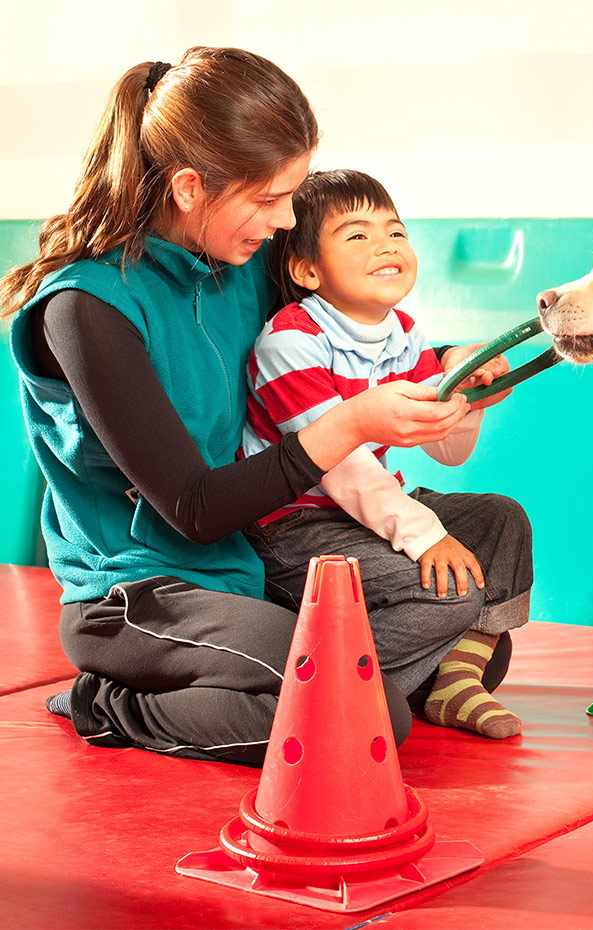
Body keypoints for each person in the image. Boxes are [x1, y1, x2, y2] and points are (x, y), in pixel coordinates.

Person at [0, 47, 516, 766]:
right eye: (270, 199)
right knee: (364, 719)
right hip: (144, 595)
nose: (285, 223)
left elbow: (349, 325)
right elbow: (196, 509)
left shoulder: (238, 265)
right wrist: (350, 426)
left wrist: (457, 367)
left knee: (483, 572)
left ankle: (361, 679)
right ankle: (112, 703)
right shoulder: (87, 309)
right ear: (188, 188)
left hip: (257, 566)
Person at [241, 168, 531, 739]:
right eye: (357, 236)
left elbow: (445, 449)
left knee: (502, 520)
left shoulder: (404, 332)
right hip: (296, 526)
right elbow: (338, 466)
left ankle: (455, 680)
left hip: (369, 509)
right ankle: (331, 694)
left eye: (394, 231)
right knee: (450, 592)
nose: (386, 245)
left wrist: (469, 397)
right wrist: (425, 536)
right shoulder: (290, 341)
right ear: (306, 270)